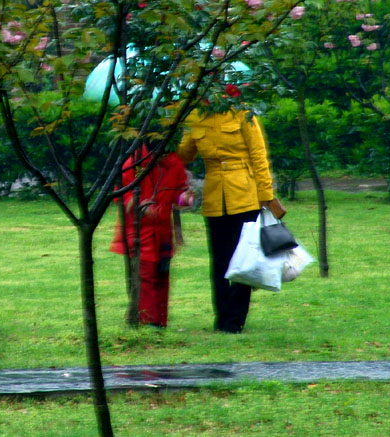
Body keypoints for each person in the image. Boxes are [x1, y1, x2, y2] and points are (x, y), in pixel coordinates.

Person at [177, 106, 282, 334]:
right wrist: (174, 127)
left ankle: (235, 320)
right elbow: (185, 154)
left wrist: (266, 195)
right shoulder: (196, 115)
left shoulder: (243, 113)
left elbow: (258, 155)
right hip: (215, 196)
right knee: (219, 260)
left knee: (244, 259)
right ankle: (222, 318)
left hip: (244, 193)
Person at [110, 146, 191, 328]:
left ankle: (159, 322)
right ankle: (147, 322)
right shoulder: (135, 163)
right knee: (144, 276)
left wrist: (185, 198)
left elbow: (180, 192)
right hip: (138, 231)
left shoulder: (173, 162)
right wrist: (140, 206)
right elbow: (121, 194)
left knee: (162, 275)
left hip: (162, 232)